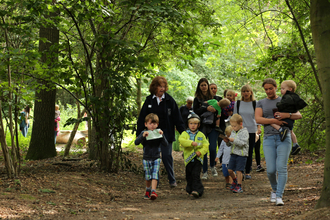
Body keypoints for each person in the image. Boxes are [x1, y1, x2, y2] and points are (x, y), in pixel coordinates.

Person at [255, 78, 302, 206]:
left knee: (281, 168)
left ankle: (279, 196)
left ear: (276, 88)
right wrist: (274, 121)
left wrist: (286, 115)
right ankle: (274, 189)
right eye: (266, 89)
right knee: (270, 170)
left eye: (271, 88)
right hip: (269, 138)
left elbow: (298, 115)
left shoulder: (285, 99)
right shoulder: (261, 103)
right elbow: (258, 118)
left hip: (284, 137)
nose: (268, 91)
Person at [136, 76, 185, 188]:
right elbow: (142, 118)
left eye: (164, 87)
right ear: (154, 87)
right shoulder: (149, 100)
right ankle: (154, 183)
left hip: (166, 134)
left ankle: (172, 180)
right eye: (160, 87)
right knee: (153, 157)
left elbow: (177, 117)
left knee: (167, 156)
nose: (162, 89)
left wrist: (184, 132)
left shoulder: (169, 100)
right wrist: (139, 133)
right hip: (150, 136)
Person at [193, 78, 223, 179]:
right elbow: (195, 111)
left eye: (205, 85)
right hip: (202, 126)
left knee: (213, 147)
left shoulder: (216, 98)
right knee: (203, 148)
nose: (204, 87)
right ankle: (205, 171)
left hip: (213, 126)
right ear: (199, 87)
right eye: (201, 85)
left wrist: (216, 111)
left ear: (208, 85)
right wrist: (206, 108)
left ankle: (212, 166)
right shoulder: (197, 99)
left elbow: (221, 110)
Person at [233, 84, 264, 179]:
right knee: (239, 151)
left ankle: (247, 172)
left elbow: (258, 117)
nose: (245, 93)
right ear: (241, 93)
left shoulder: (255, 103)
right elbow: (235, 117)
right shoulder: (238, 103)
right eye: (243, 91)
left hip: (252, 129)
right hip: (241, 130)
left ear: (251, 92)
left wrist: (258, 129)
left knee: (249, 151)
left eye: (247, 91)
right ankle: (239, 171)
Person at [135, 113, 168, 200]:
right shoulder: (144, 132)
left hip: (156, 157)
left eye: (154, 124)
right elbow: (136, 142)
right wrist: (142, 136)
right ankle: (148, 189)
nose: (152, 126)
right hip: (146, 157)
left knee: (154, 174)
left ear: (157, 124)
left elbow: (165, 144)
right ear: (146, 124)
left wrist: (162, 135)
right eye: (150, 123)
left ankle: (154, 191)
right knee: (147, 176)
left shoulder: (158, 132)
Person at [179, 113, 209, 198]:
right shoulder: (185, 134)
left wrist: (201, 152)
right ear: (188, 124)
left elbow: (206, 145)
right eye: (191, 123)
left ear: (198, 125)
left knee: (196, 174)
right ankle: (191, 189)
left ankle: (197, 190)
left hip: (198, 159)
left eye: (195, 124)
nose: (193, 125)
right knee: (189, 175)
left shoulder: (201, 135)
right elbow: (181, 141)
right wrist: (191, 143)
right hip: (188, 159)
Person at [270, 80, 307, 147]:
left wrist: (278, 105)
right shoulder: (294, 98)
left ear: (290, 89)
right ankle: (295, 144)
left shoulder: (287, 97)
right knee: (291, 131)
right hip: (291, 121)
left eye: (283, 89)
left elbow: (282, 105)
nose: (281, 90)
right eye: (281, 88)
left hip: (285, 120)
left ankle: (281, 129)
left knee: (271, 121)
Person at [224, 114, 249, 193]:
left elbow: (243, 143)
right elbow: (230, 144)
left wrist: (233, 140)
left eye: (234, 126)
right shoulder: (233, 132)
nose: (233, 128)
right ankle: (235, 180)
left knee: (239, 170)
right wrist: (228, 142)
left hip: (241, 155)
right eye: (232, 126)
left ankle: (239, 185)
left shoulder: (245, 132)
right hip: (233, 153)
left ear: (240, 124)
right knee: (230, 170)